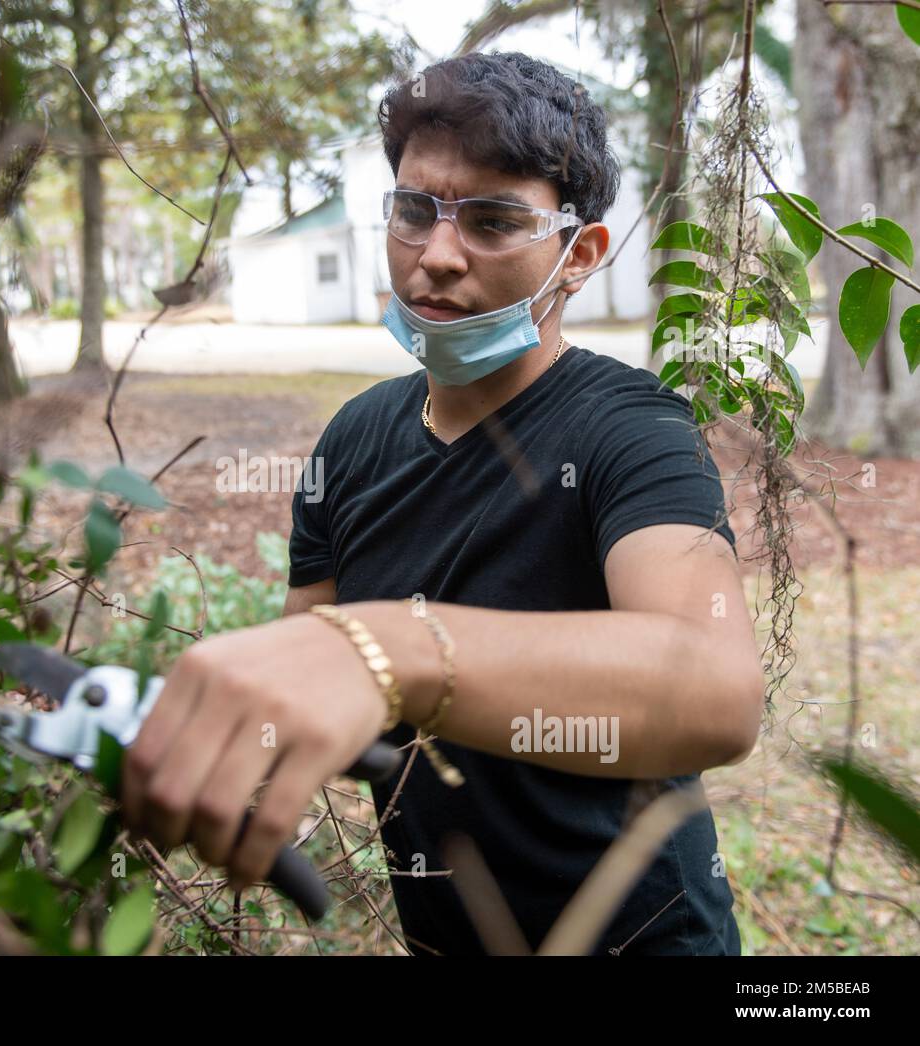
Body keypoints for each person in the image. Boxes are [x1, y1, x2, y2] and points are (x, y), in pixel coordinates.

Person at [119, 52, 764, 956]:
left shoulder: (632, 431)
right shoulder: (352, 440)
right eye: (414, 210)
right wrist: (185, 733)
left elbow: (718, 689)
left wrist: (400, 647)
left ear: (577, 256)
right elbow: (331, 693)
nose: (438, 255)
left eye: (496, 221)